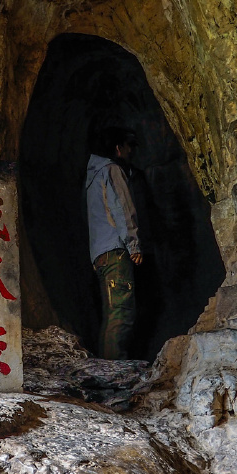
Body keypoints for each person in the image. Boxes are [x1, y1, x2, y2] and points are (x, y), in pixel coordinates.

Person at [85, 126, 142, 360]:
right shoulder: (112, 170)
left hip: (99, 255)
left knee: (110, 314)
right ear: (118, 148)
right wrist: (134, 244)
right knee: (121, 313)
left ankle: (105, 368)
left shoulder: (92, 177)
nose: (131, 152)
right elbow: (123, 209)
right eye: (129, 147)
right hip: (116, 251)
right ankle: (114, 369)